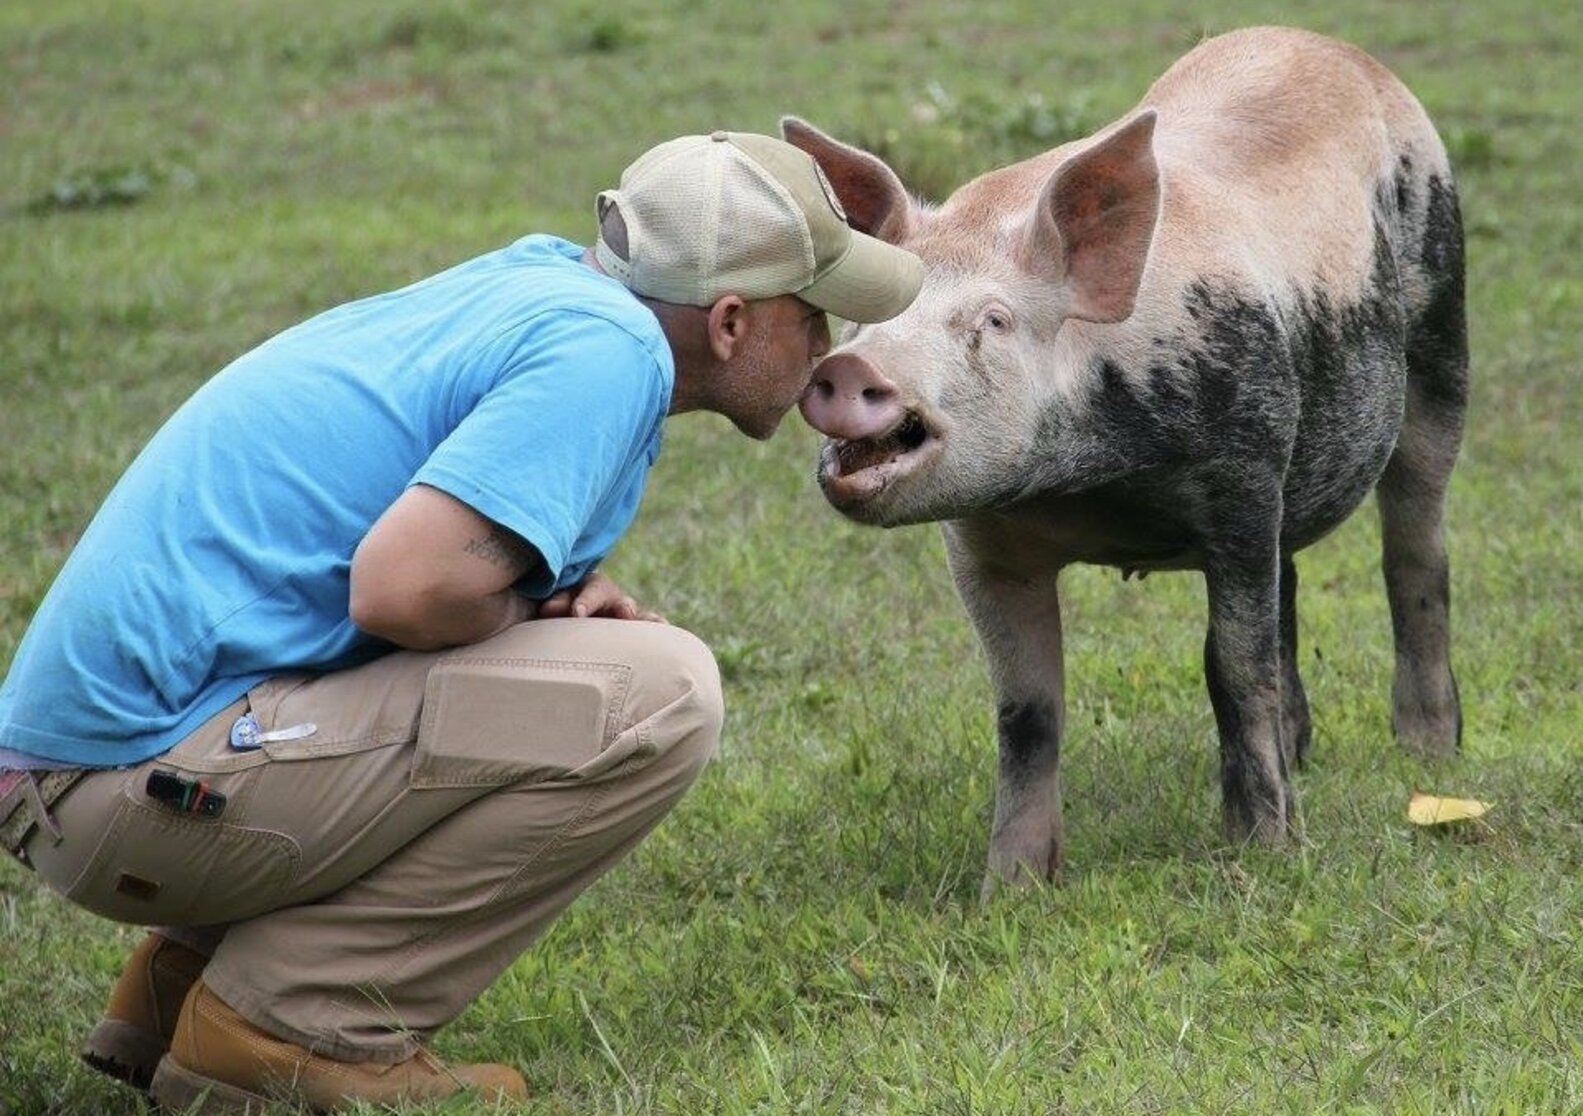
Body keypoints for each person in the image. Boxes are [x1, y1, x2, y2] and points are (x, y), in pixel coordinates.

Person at [0, 129, 922, 1111]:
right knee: (657, 696)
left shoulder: (543, 289)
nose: (826, 347)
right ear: (731, 322)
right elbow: (403, 591)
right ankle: (289, 1023)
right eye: (813, 314)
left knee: (595, 670)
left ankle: (181, 982)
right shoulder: (607, 352)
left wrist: (537, 604)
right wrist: (526, 605)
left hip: (98, 773)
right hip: (122, 794)